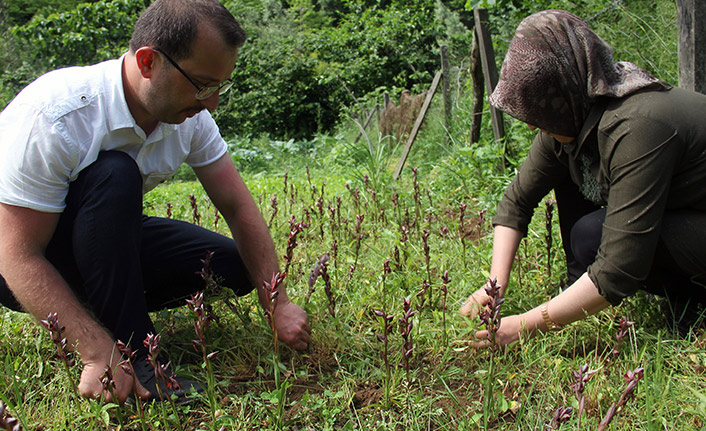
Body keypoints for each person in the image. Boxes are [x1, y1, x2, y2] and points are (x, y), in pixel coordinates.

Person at [0, 0, 311, 404]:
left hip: (102, 242)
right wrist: (96, 351)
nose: (211, 103)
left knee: (230, 267)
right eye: (202, 84)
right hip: (21, 257)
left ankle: (103, 311)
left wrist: (278, 302)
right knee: (115, 172)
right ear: (148, 62)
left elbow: (237, 205)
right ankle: (137, 353)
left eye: (219, 87)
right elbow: (16, 254)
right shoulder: (56, 118)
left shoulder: (190, 118)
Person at [460, 9, 706, 348]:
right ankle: (581, 289)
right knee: (580, 205)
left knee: (594, 237)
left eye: (539, 108)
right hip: (690, 211)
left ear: (563, 90)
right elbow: (517, 201)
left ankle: (693, 299)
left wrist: (528, 324)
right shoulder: (574, 117)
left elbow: (620, 268)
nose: (532, 125)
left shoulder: (636, 125)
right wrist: (494, 287)